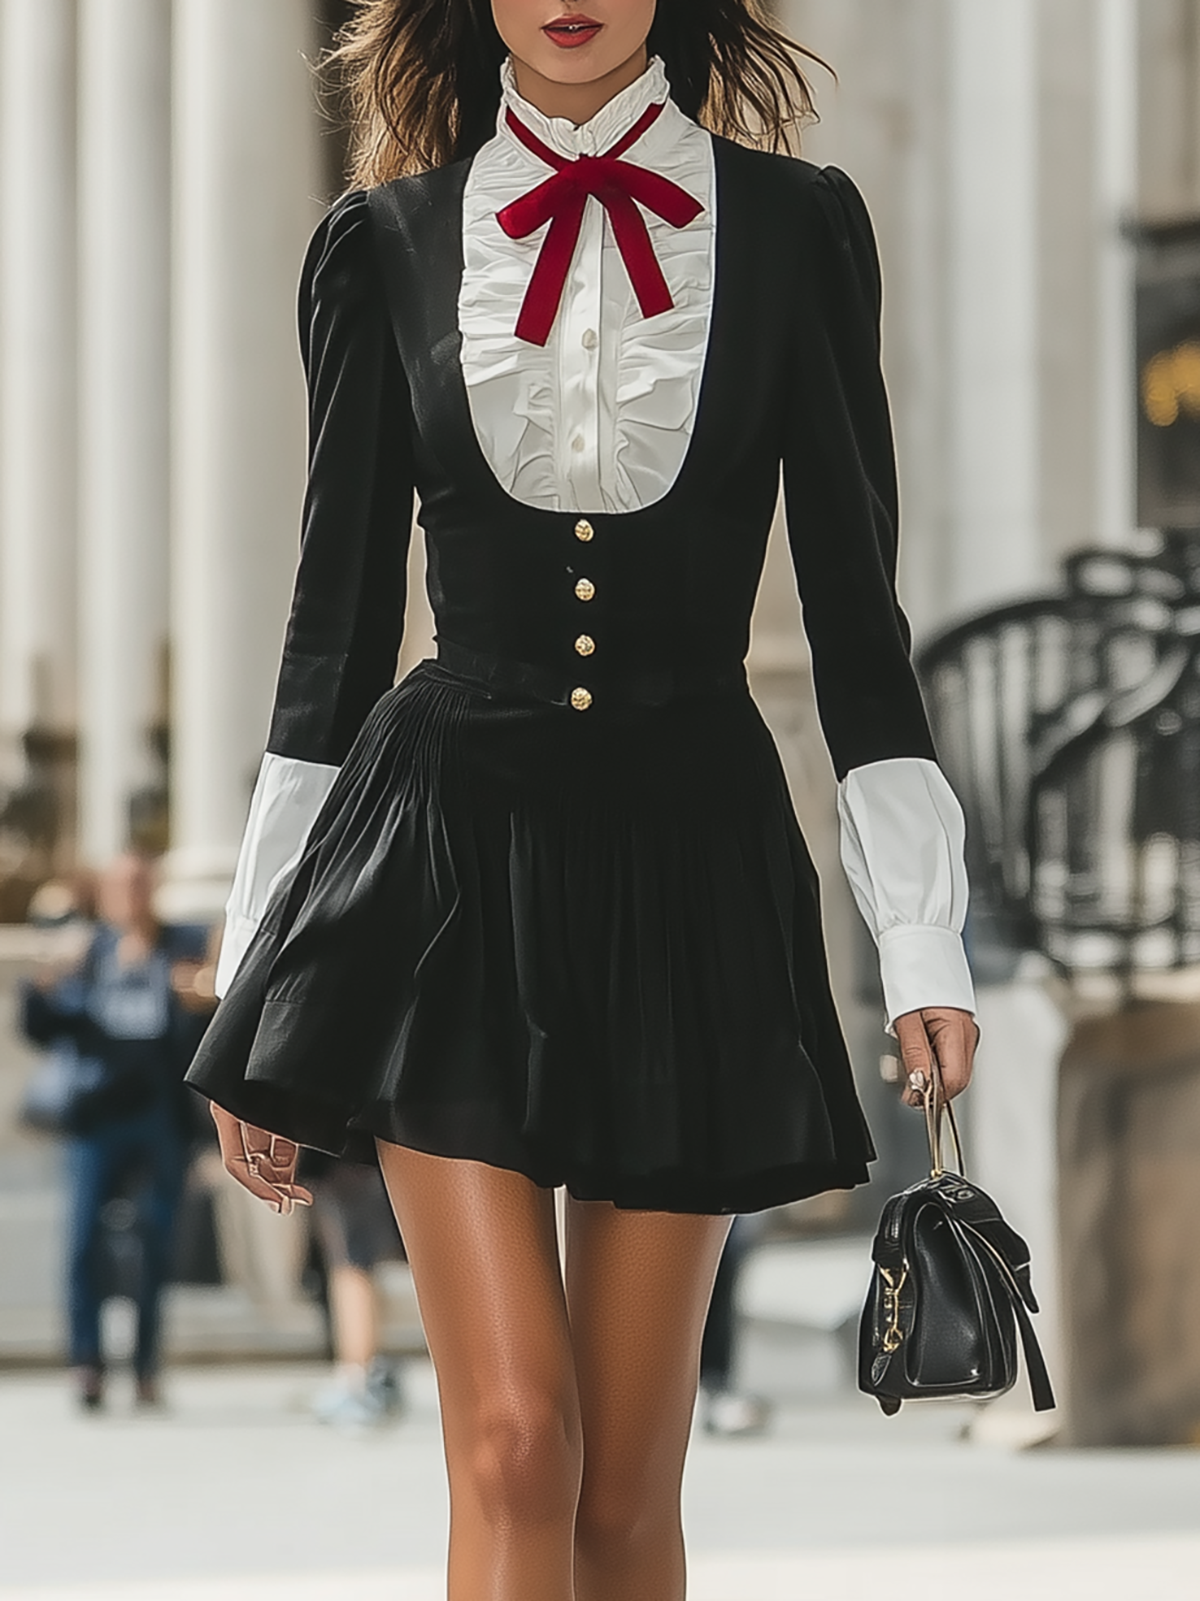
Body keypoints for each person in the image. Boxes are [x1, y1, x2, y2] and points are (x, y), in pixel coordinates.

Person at [186, 3, 980, 1594]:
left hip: (693, 862)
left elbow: (856, 618)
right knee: (513, 1444)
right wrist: (258, 969)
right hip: (442, 872)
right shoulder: (382, 243)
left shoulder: (798, 226)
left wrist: (922, 944)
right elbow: (330, 638)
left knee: (625, 1489)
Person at [21, 853, 213, 1410]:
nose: (128, 894)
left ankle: (146, 1365)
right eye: (118, 885)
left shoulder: (182, 946)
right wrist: (46, 982)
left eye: (137, 884)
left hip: (159, 1116)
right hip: (97, 1117)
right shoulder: (88, 952)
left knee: (155, 1240)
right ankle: (87, 1364)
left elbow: (214, 1016)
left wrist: (194, 994)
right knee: (83, 1242)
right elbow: (40, 1028)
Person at [303, 1151, 406, 1428]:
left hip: (348, 1144)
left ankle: (357, 1379)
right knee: (354, 1258)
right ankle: (365, 1372)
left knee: (351, 1259)